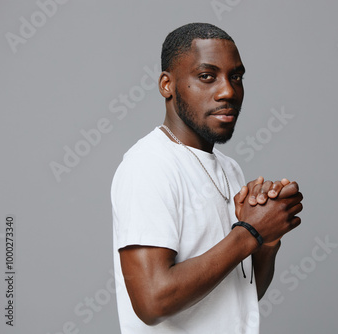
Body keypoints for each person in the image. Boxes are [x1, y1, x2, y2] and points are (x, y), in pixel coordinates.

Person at [111, 22, 303, 334]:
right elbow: (152, 302)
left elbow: (239, 300)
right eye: (207, 76)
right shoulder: (148, 165)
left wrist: (267, 239)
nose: (228, 91)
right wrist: (249, 232)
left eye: (236, 77)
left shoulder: (229, 169)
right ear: (167, 85)